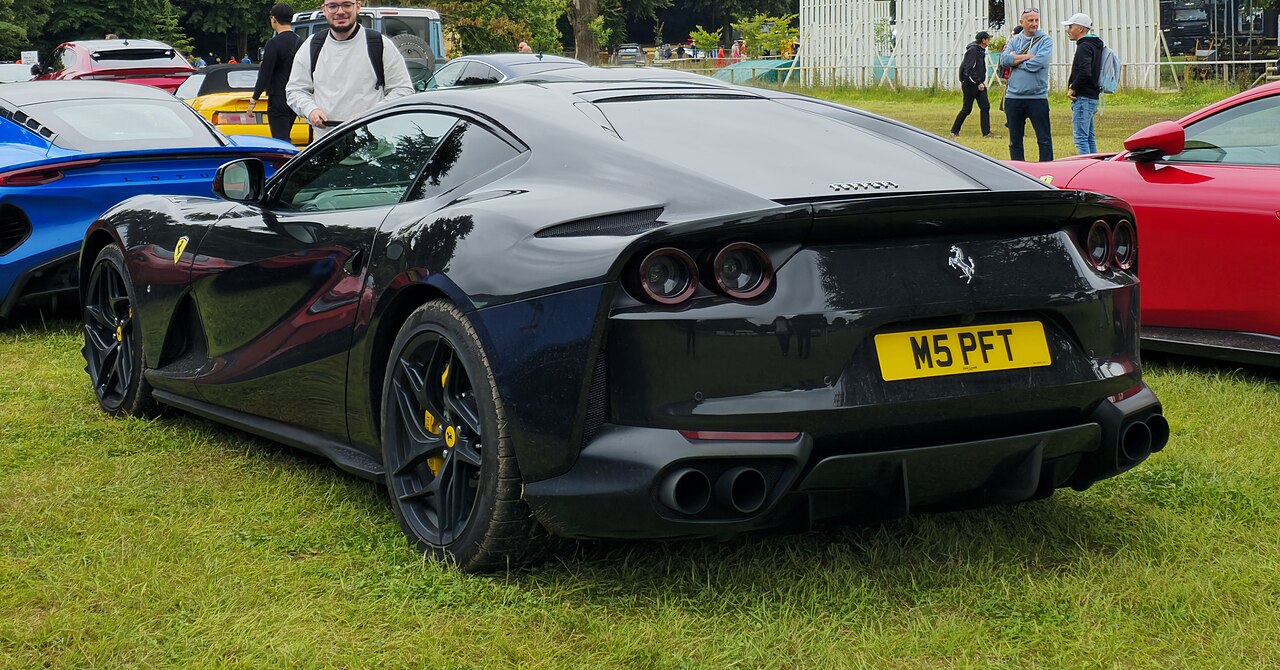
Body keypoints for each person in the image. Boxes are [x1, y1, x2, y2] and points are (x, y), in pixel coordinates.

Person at [286, 0, 413, 138]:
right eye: (333, 6)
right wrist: (311, 110)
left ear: (358, 7)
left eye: (347, 5)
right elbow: (295, 90)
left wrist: (369, 116)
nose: (340, 12)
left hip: (374, 143)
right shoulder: (311, 46)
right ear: (324, 9)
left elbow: (403, 90)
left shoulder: (380, 45)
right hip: (325, 143)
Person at [1000, 8, 1054, 161]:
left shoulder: (1045, 40)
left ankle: (1047, 169)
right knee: (1015, 141)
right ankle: (1017, 168)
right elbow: (1003, 60)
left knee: (1044, 140)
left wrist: (1016, 61)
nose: (1034, 24)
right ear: (1021, 22)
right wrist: (1028, 56)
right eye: (1030, 20)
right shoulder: (1014, 40)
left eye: (1036, 20)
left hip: (1037, 98)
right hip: (1013, 98)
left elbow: (1038, 63)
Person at [251, 3, 305, 143]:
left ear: (274, 19)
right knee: (286, 135)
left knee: (280, 140)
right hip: (294, 97)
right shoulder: (301, 42)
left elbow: (265, 73)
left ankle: (284, 157)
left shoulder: (273, 43)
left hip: (278, 97)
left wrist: (254, 99)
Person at [1064, 13, 1104, 155]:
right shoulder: (1094, 45)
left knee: (1081, 138)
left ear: (1080, 29)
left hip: (1083, 98)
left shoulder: (1084, 47)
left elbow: (1085, 72)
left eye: (1070, 27)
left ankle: (1086, 164)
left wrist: (1073, 87)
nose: (1068, 30)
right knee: (1089, 137)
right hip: (1092, 96)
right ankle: (1095, 164)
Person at [951, 31, 997, 139]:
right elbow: (970, 69)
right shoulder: (973, 51)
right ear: (983, 40)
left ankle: (986, 133)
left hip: (979, 83)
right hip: (970, 84)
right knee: (967, 109)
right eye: (988, 39)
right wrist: (978, 82)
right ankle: (954, 131)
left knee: (985, 106)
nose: (989, 41)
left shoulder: (980, 51)